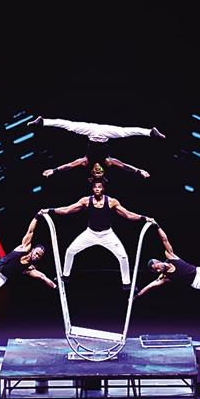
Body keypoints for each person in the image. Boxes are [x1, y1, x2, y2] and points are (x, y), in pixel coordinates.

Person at [39, 178, 154, 287]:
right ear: (92, 189)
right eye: (95, 187)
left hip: (107, 235)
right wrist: (50, 210)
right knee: (70, 251)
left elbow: (128, 215)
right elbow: (67, 210)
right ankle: (66, 276)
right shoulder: (86, 201)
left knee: (123, 257)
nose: (97, 189)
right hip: (90, 234)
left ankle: (127, 284)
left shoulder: (111, 202)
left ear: (103, 188)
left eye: (99, 187)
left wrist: (144, 218)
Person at [27, 116, 165, 180]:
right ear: (103, 170)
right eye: (100, 172)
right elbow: (124, 166)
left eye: (96, 172)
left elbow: (69, 165)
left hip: (91, 133)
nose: (98, 169)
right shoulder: (108, 161)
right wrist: (139, 171)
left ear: (92, 171)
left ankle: (42, 121)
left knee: (70, 126)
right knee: (124, 132)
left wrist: (54, 170)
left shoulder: (85, 161)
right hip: (105, 134)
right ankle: (150, 132)